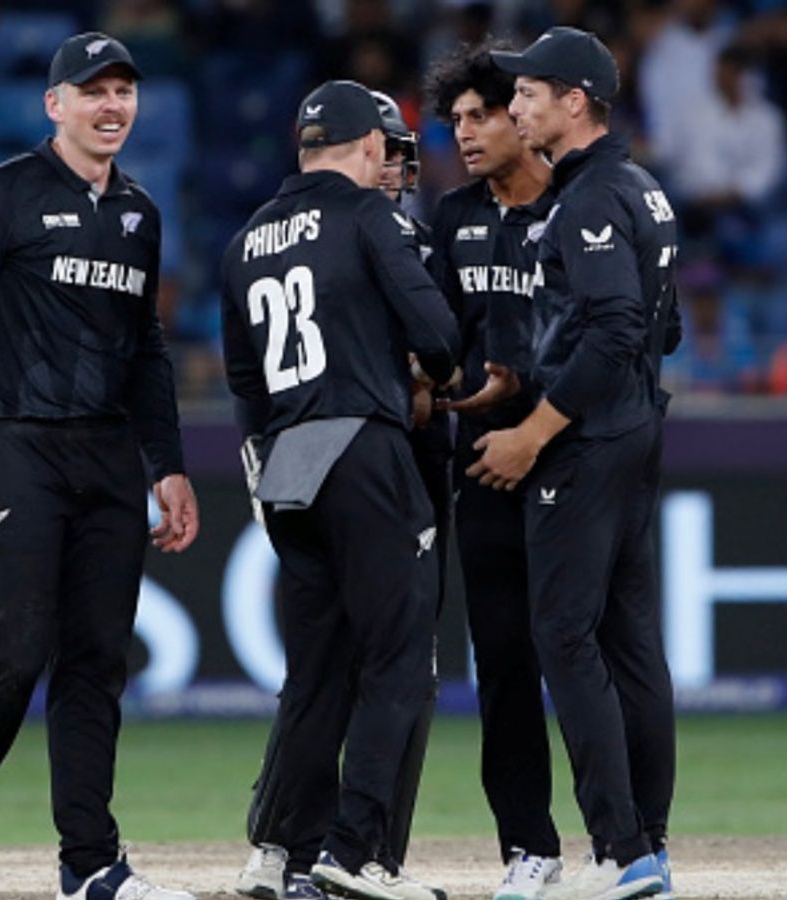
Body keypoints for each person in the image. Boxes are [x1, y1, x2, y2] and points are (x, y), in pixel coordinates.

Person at [0, 32, 199, 900]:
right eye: (93, 91)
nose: (112, 106)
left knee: (99, 658)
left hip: (106, 456)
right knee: (16, 649)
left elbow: (145, 349)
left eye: (124, 92)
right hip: (10, 444)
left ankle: (91, 862)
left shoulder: (140, 212)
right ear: (53, 105)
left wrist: (167, 467)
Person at [222, 79, 459, 900]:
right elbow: (438, 334)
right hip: (363, 444)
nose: (394, 165)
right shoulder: (368, 217)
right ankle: (356, 853)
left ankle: (275, 850)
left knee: (316, 667)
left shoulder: (246, 238)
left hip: (287, 457)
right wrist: (429, 369)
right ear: (365, 146)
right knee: (398, 656)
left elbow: (244, 379)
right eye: (388, 150)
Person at [480, 27, 681, 900]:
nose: (514, 105)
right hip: (635, 431)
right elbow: (660, 329)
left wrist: (535, 429)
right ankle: (651, 848)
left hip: (587, 443)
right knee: (631, 645)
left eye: (529, 92)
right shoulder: (643, 189)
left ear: (577, 101)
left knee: (563, 634)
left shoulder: (591, 197)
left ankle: (621, 849)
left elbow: (617, 329)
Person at [421, 40, 564, 900]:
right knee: (504, 660)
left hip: (570, 460)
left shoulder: (580, 206)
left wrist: (533, 409)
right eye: (456, 122)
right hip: (481, 467)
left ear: (525, 112)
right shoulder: (451, 217)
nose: (465, 135)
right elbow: (436, 338)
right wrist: (443, 390)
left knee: (589, 656)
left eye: (480, 116)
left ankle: (630, 838)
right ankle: (529, 847)